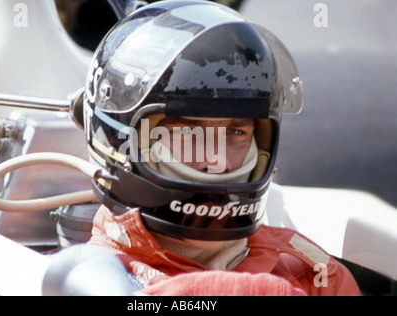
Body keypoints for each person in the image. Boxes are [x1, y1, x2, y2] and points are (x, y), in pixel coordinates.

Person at [83, 0, 361, 295]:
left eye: (235, 131)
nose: (217, 162)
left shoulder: (317, 276)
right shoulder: (77, 279)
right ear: (122, 142)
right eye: (188, 131)